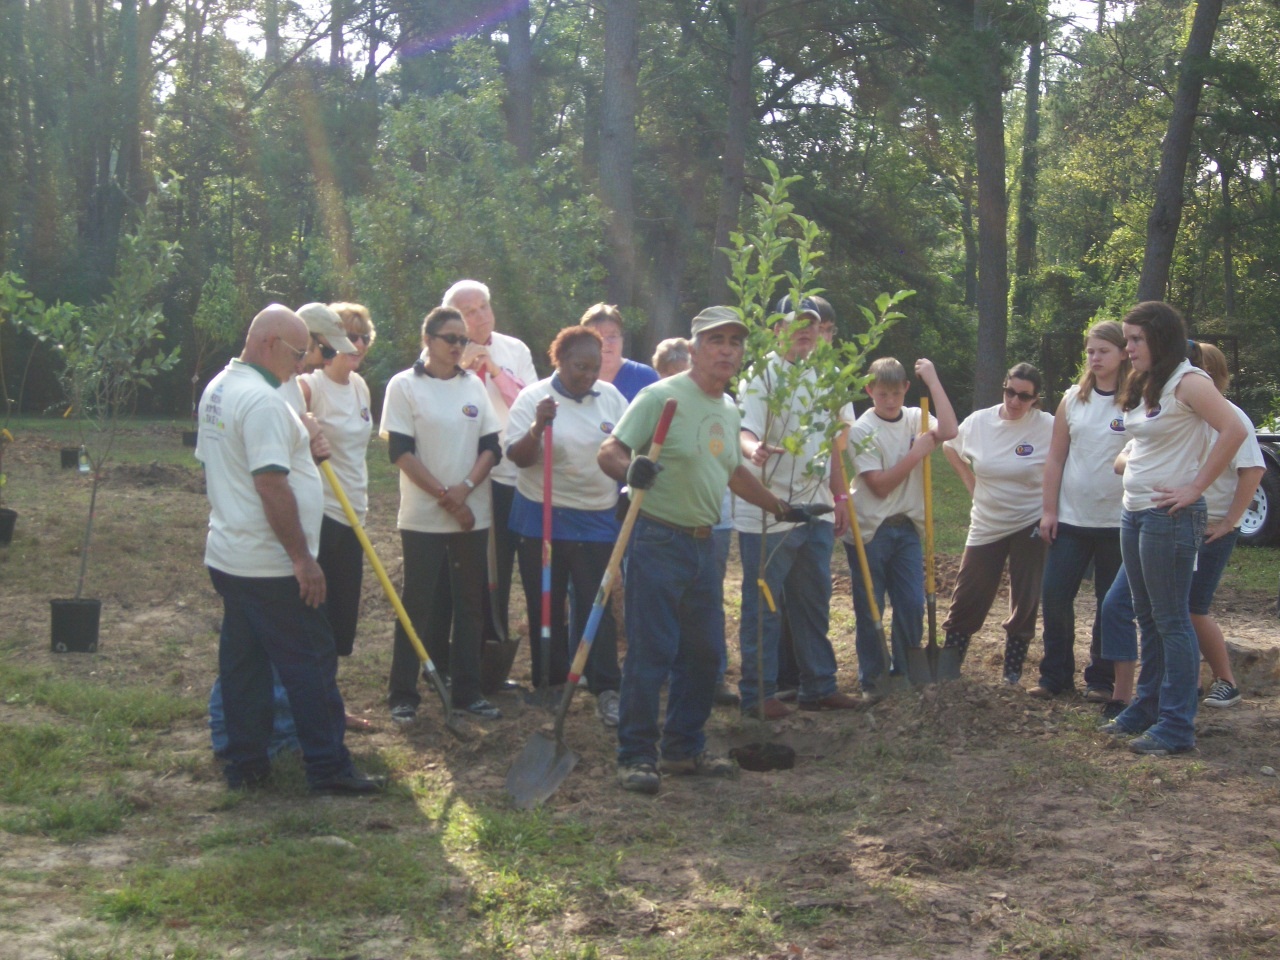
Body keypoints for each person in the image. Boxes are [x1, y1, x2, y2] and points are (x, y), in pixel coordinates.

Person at [598, 306, 829, 796]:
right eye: (716, 341)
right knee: (652, 650)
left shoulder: (727, 408)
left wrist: (782, 509)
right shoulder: (660, 397)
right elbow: (610, 450)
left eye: (734, 342)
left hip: (705, 545)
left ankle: (683, 749)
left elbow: (734, 473)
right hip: (658, 538)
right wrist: (630, 470)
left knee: (704, 655)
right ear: (695, 348)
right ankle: (636, 755)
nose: (727, 350)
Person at [196, 304, 379, 794]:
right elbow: (271, 485)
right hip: (270, 565)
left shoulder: (219, 388)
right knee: (311, 665)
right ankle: (328, 767)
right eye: (298, 353)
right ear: (269, 343)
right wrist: (302, 559)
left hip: (230, 554)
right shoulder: (261, 403)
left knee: (245, 667)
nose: (303, 364)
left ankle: (246, 765)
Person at [1101, 304, 1247, 756]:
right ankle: (1146, 708)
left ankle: (1177, 725)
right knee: (1147, 616)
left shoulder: (1190, 382)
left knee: (1171, 620)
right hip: (1135, 512)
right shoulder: (1149, 382)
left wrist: (1195, 487)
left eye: (1136, 339)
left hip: (1170, 518)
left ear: (1160, 339)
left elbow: (1234, 430)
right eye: (1127, 339)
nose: (1128, 348)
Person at [734, 298, 863, 719]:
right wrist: (754, 449)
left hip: (816, 508)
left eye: (812, 324)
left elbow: (832, 447)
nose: (805, 331)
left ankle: (819, 687)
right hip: (769, 509)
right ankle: (758, 693)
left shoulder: (827, 378)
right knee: (764, 605)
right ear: (777, 329)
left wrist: (839, 497)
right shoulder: (760, 375)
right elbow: (744, 430)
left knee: (813, 602)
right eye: (796, 323)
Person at [380, 305, 505, 722]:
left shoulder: (474, 387)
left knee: (470, 604)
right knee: (416, 603)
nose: (457, 346)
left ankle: (468, 691)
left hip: (472, 514)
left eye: (462, 340)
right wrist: (445, 496)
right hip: (424, 516)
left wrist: (465, 489)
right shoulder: (404, 385)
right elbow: (401, 452)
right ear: (428, 340)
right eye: (450, 338)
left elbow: (492, 447)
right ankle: (403, 693)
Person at [505, 325, 629, 726]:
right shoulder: (533, 398)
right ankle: (550, 680)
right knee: (546, 602)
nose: (589, 375)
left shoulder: (611, 398)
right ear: (559, 360)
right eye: (580, 366)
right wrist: (537, 426)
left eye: (594, 367)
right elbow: (519, 457)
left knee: (597, 604)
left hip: (597, 517)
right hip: (542, 516)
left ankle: (606, 685)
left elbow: (629, 447)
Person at [843, 356, 958, 690]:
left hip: (907, 526)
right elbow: (879, 486)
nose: (890, 400)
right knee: (871, 607)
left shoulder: (916, 418)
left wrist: (933, 380)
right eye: (882, 394)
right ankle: (873, 678)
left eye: (896, 393)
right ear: (869, 391)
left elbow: (949, 430)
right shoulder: (861, 430)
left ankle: (905, 672)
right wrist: (916, 453)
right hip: (869, 529)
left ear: (906, 388)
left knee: (910, 603)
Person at [443, 280, 537, 687]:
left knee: (512, 566)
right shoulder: (443, 355)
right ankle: (470, 658)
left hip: (517, 472)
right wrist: (464, 369)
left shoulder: (515, 350)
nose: (480, 316)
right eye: (469, 311)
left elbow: (529, 405)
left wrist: (495, 371)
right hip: (470, 476)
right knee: (478, 570)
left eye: (484, 306)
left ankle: (501, 653)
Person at [1032, 321, 1131, 701]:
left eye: (1103, 351)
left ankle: (1101, 680)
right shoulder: (1073, 399)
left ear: (1122, 353)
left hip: (1118, 521)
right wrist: (1048, 511)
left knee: (1110, 603)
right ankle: (1054, 676)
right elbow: (1055, 458)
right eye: (1090, 351)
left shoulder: (1137, 400)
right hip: (1071, 518)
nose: (1095, 358)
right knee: (1055, 595)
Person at [941, 362, 1054, 685]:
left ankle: (1012, 671)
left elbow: (1064, 461)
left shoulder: (1047, 426)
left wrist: (1050, 509)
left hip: (1030, 519)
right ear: (1003, 388)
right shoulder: (979, 422)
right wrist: (970, 481)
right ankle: (949, 666)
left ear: (1035, 399)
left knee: (1025, 595)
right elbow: (949, 445)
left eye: (1024, 396)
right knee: (969, 591)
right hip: (987, 520)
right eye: (1010, 392)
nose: (1015, 401)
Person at [299, 303, 376, 730]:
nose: (359, 344)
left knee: (341, 619)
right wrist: (307, 428)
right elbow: (284, 416)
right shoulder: (310, 386)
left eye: (364, 336)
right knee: (317, 616)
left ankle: (329, 702)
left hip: (354, 513)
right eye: (351, 336)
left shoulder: (360, 387)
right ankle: (317, 708)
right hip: (323, 512)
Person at [581, 302, 660, 402]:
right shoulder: (574, 379)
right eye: (597, 336)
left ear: (622, 339)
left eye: (612, 336)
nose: (605, 343)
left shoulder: (645, 377)